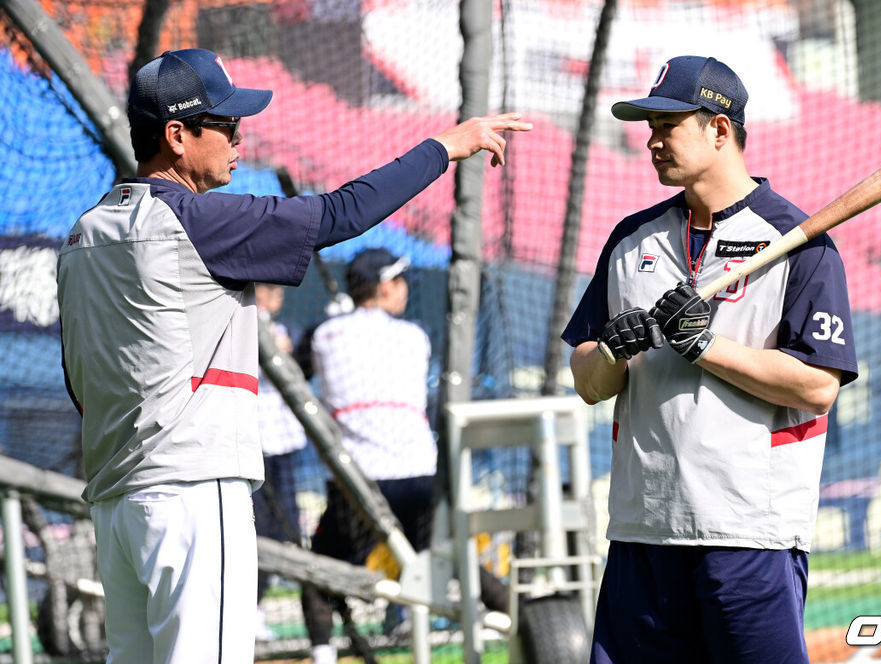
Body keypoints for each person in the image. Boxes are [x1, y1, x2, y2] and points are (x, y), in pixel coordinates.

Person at [56, 47, 530, 664]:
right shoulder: (196, 220)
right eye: (225, 125)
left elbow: (78, 383)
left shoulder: (83, 232)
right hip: (193, 490)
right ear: (176, 135)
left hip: (118, 501)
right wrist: (444, 146)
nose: (238, 138)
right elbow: (340, 213)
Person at [561, 55, 858, 664]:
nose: (651, 140)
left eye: (667, 124)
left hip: (748, 531)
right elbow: (588, 382)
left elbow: (818, 386)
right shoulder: (629, 241)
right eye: (649, 125)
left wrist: (705, 346)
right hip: (642, 530)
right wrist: (614, 350)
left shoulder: (800, 243)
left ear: (719, 130)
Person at [302, 248, 436, 664]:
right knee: (437, 563)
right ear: (382, 286)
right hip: (419, 479)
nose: (404, 292)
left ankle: (324, 656)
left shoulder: (323, 334)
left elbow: (297, 362)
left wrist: (332, 322)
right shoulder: (417, 336)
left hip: (360, 485)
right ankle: (520, 621)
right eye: (398, 283)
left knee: (315, 577)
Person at [252, 283, 307, 641]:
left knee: (284, 532)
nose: (279, 292)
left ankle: (258, 608)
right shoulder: (238, 323)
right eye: (269, 286)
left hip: (283, 448)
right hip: (252, 450)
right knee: (253, 533)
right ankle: (248, 609)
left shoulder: (282, 330)